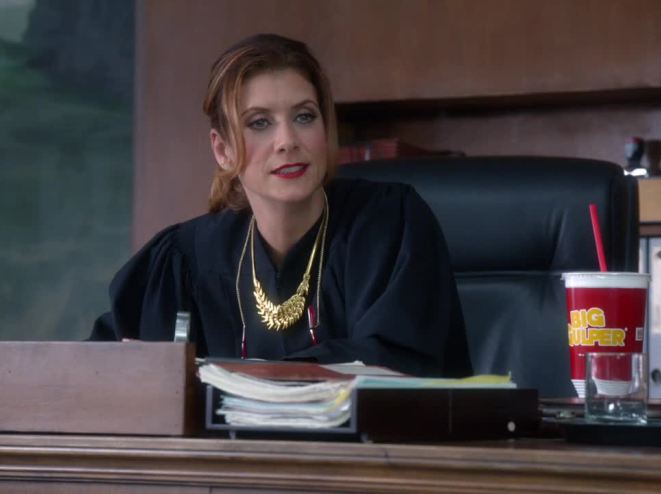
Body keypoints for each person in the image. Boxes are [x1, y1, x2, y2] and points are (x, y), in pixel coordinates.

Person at [91, 33, 472, 378]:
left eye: (304, 116)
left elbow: (392, 365)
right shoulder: (184, 260)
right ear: (222, 150)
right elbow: (100, 368)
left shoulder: (389, 224)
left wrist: (223, 373)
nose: (288, 140)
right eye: (260, 123)